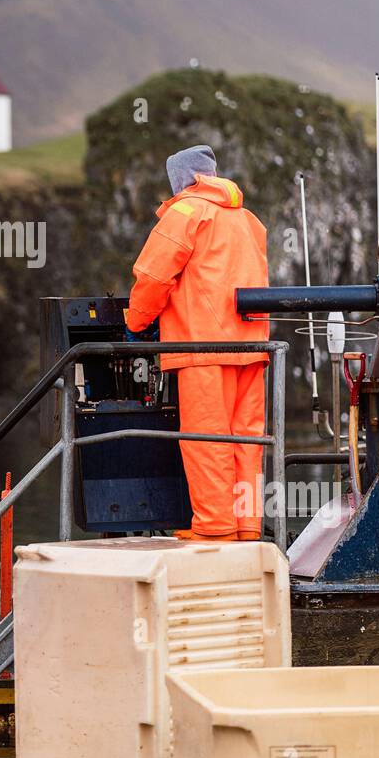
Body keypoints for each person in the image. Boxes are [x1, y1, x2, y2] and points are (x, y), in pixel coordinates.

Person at [124, 145, 269, 541]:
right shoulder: (248, 220)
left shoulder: (185, 212)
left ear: (180, 179)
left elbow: (153, 278)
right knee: (247, 440)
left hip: (203, 347)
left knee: (207, 438)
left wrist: (136, 324)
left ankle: (215, 529)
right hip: (253, 350)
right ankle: (246, 527)